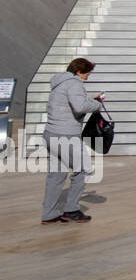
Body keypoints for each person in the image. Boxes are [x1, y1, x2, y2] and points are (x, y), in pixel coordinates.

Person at [41, 58, 103, 225]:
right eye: (87, 73)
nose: (88, 76)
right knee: (83, 169)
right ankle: (71, 210)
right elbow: (79, 107)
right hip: (66, 134)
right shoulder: (75, 84)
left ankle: (49, 213)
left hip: (51, 133)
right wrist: (97, 105)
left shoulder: (60, 82)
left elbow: (74, 102)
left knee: (57, 174)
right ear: (78, 71)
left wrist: (91, 99)